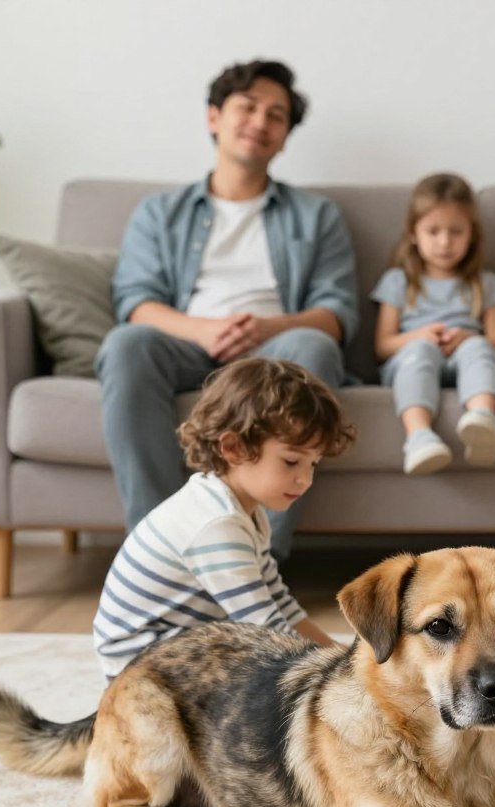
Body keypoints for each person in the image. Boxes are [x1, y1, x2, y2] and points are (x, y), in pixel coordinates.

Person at [95, 58, 359, 559]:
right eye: (248, 107)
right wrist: (203, 330)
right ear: (214, 117)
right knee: (127, 345)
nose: (260, 122)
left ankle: (257, 558)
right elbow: (136, 302)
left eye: (276, 116)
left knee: (313, 344)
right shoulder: (159, 212)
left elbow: (337, 311)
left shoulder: (318, 215)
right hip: (186, 346)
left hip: (275, 355)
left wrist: (268, 327)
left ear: (284, 138)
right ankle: (157, 554)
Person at [93, 358, 356, 680]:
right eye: (291, 461)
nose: (306, 479)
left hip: (166, 657)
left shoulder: (243, 511)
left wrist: (343, 660)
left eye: (312, 464)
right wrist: (337, 676)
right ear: (233, 448)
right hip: (140, 677)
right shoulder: (216, 524)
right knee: (265, 673)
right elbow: (266, 629)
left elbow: (280, 604)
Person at [372, 173, 495, 475]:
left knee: (479, 346)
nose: (444, 242)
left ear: (472, 234)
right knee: (420, 350)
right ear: (413, 232)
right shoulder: (398, 281)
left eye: (456, 232)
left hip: (465, 358)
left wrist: (467, 337)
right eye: (433, 231)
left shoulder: (485, 284)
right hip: (412, 359)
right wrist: (418, 335)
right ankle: (419, 437)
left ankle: (483, 419)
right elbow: (382, 346)